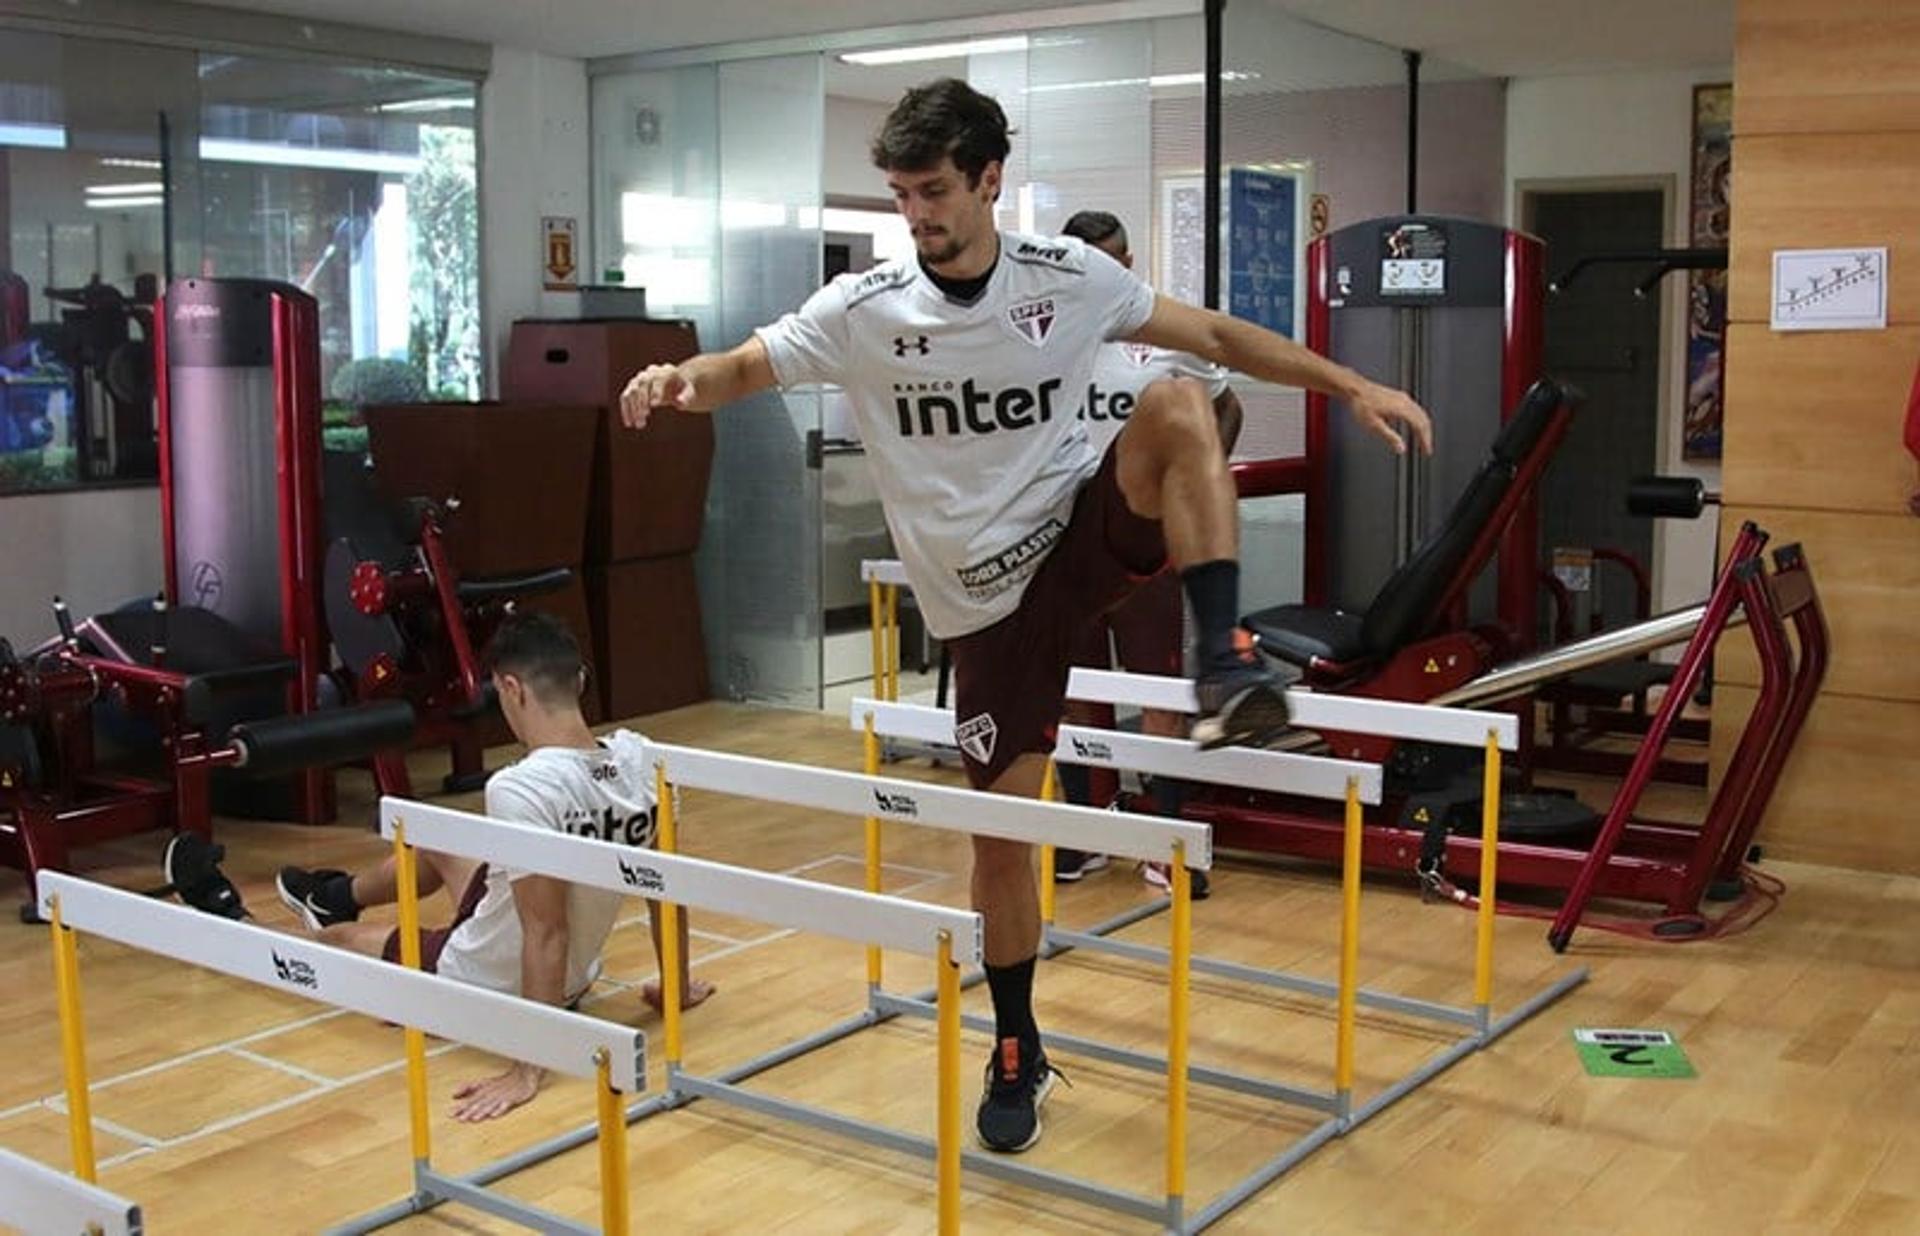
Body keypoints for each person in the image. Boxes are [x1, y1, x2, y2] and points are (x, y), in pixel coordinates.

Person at [618, 78, 1430, 1154]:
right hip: (985, 615)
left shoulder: (1072, 278)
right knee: (1000, 847)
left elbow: (1221, 336)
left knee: (1181, 403)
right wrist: (682, 377)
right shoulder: (863, 311)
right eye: (903, 195)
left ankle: (1225, 665)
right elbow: (748, 367)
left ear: (990, 180)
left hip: (1078, 536)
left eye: (937, 191)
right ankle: (1018, 1043)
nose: (918, 216)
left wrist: (1348, 382)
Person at [275, 610, 715, 1122]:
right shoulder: (641, 759)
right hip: (574, 976)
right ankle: (332, 896)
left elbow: (546, 930)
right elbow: (665, 890)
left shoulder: (521, 787)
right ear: (578, 680)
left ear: (512, 688)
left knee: (339, 942)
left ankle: (239, 922)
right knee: (436, 836)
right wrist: (676, 988)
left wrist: (528, 1069)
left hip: (488, 982)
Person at [1048, 209, 1243, 895]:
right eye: (1089, 261)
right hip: (1065, 545)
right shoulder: (1047, 340)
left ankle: (1165, 840)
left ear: (1128, 261)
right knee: (1075, 692)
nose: (1105, 272)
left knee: (1155, 689)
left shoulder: (1165, 338)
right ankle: (1088, 828)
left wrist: (1194, 483)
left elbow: (1226, 406)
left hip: (1146, 548)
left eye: (1114, 259)